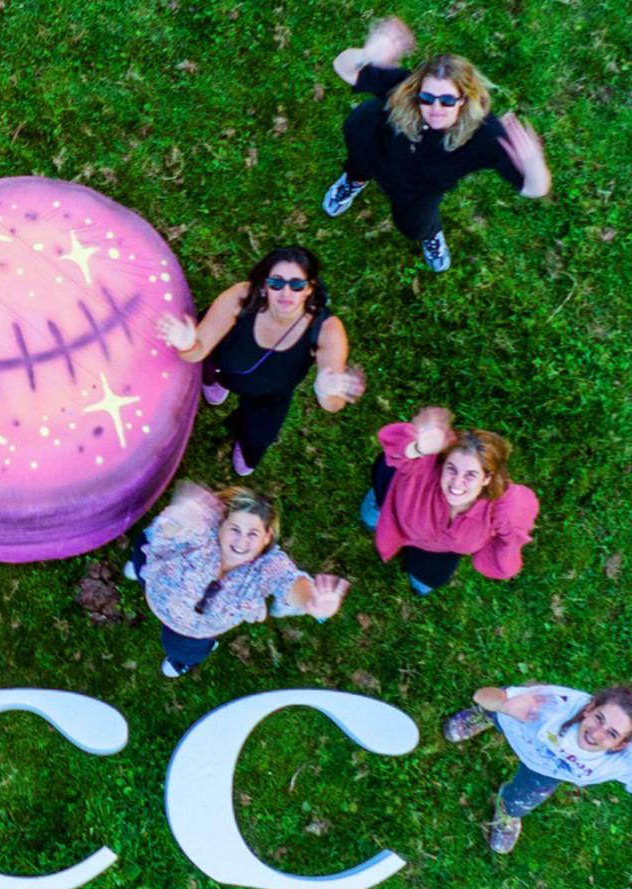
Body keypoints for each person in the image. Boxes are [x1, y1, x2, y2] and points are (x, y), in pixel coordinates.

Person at [322, 16, 552, 271]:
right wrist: (368, 53)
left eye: (447, 100)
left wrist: (533, 162)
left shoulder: (485, 135)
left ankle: (430, 235)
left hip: (417, 190)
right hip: (371, 144)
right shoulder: (405, 88)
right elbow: (342, 66)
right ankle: (353, 182)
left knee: (414, 226)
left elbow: (535, 189)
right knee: (357, 166)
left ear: (464, 99)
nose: (435, 108)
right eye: (427, 98)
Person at [156, 247, 364, 476]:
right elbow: (197, 353)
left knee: (256, 439)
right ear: (264, 285)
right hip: (222, 362)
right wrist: (186, 344)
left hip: (271, 392)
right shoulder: (241, 297)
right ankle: (215, 382)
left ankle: (246, 442)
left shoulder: (327, 329)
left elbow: (333, 405)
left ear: (309, 289)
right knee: (208, 371)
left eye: (296, 285)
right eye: (276, 283)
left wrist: (325, 389)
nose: (286, 293)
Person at [444, 684, 632, 854]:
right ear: (589, 708)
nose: (596, 733)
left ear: (620, 745)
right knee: (493, 712)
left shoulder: (628, 761)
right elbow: (481, 695)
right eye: (598, 718)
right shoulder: (555, 703)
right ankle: (482, 716)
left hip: (544, 771)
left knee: (519, 802)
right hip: (518, 726)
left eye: (611, 734)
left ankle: (507, 812)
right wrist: (502, 704)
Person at [123, 483, 349, 678]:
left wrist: (311, 600)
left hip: (191, 631)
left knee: (185, 651)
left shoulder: (266, 567)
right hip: (158, 584)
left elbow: (288, 581)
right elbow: (171, 528)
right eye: (235, 529)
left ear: (267, 537)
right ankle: (138, 568)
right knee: (144, 555)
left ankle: (180, 661)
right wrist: (177, 518)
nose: (241, 542)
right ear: (221, 525)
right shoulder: (203, 530)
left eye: (253, 534)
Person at [360, 405, 538, 595]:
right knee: (375, 506)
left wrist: (511, 524)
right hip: (395, 506)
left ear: (487, 478)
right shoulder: (424, 470)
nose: (457, 483)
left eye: (470, 475)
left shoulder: (498, 512)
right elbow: (392, 444)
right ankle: (377, 508)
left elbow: (502, 565)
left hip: (439, 550)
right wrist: (418, 448)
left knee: (425, 582)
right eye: (451, 469)